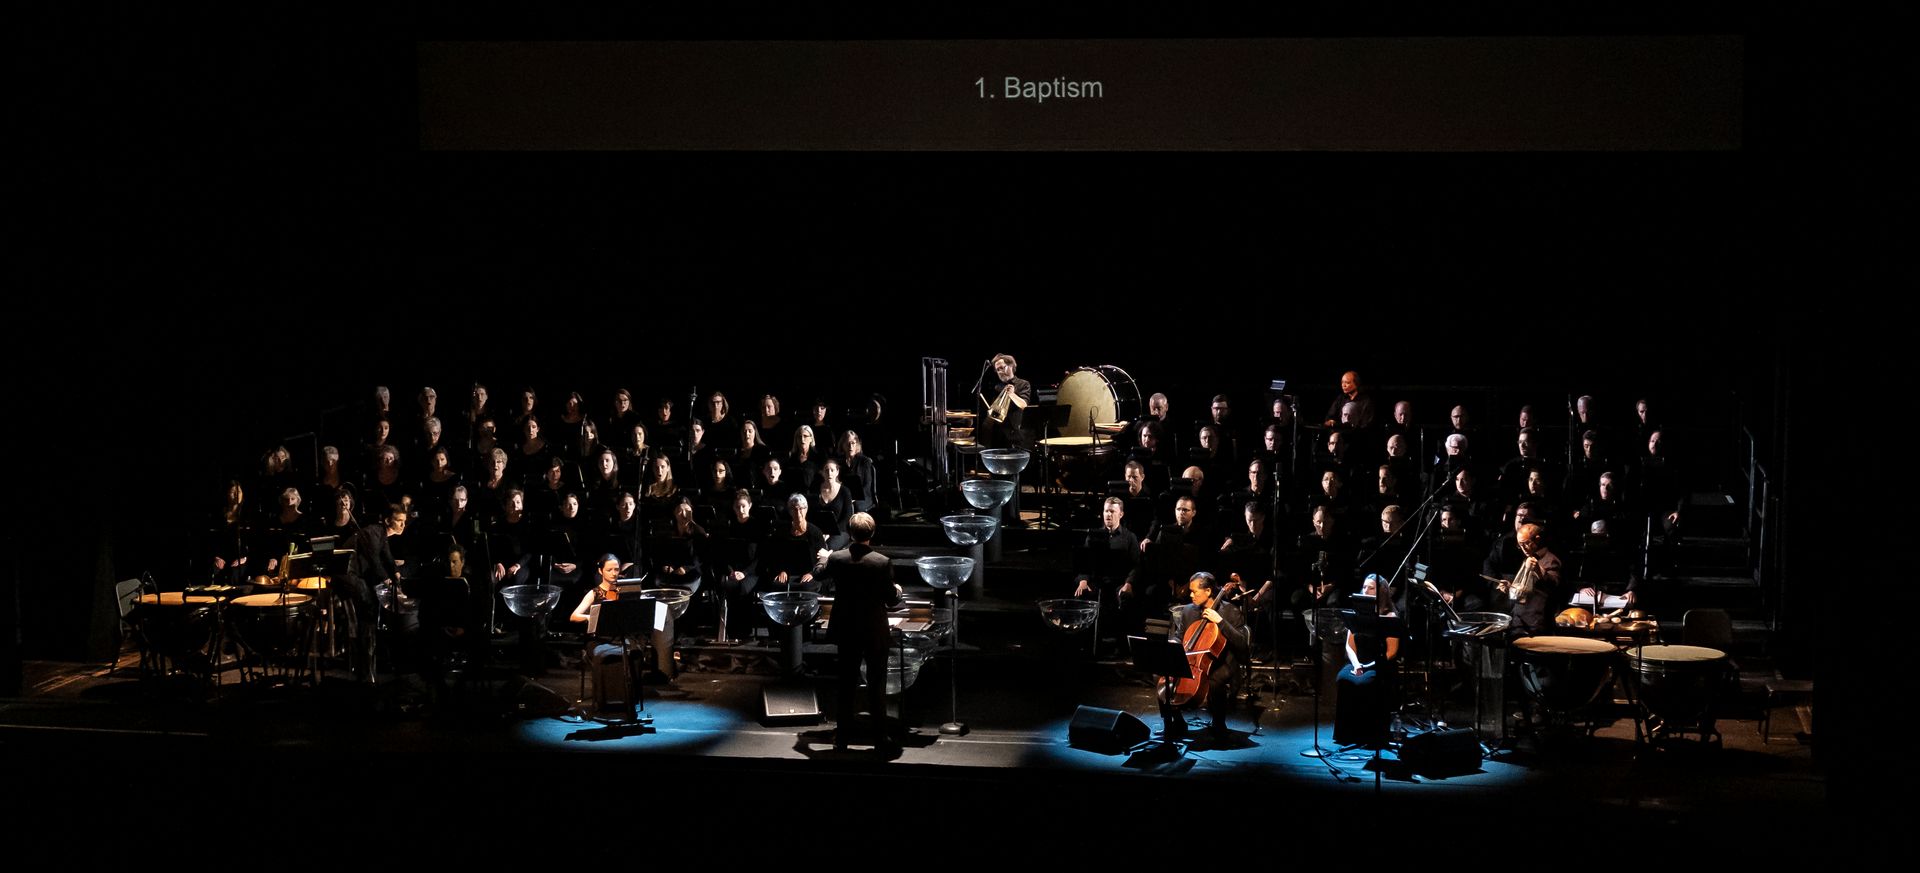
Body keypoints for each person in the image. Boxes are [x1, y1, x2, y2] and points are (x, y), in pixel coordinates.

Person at [825, 513, 903, 748]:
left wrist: (822, 559)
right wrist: (897, 590)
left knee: (846, 683)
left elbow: (824, 574)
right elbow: (891, 600)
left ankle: (842, 738)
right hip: (873, 631)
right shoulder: (881, 562)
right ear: (872, 533)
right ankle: (880, 737)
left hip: (847, 629)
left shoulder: (837, 559)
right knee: (876, 683)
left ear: (850, 533)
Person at [1156, 572, 1249, 742]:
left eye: (1194, 591)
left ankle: (1219, 723)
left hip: (1223, 662)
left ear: (1208, 591)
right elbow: (1180, 636)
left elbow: (1242, 643)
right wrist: (1173, 645)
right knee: (1164, 677)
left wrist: (1220, 621)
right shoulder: (1188, 611)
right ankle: (1175, 722)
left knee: (1215, 679)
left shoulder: (1230, 611)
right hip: (1193, 659)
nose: (1190, 595)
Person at [570, 554, 677, 695]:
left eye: (616, 569)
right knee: (608, 655)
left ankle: (632, 694)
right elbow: (574, 616)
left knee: (636, 653)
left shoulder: (624, 592)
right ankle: (609, 694)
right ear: (600, 571)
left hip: (620, 637)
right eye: (609, 570)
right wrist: (592, 617)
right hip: (598, 639)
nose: (614, 573)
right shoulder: (594, 593)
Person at [1333, 574, 1402, 748]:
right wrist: (1356, 665)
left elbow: (1391, 652)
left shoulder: (1389, 616)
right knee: (1344, 678)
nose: (1366, 591)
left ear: (1381, 592)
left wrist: (1369, 666)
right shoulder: (1357, 614)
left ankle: (1369, 735)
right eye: (1364, 587)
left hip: (1380, 664)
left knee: (1367, 682)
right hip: (1359, 662)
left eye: (1371, 588)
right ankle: (1347, 734)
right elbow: (1349, 646)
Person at [1072, 496, 1139, 652]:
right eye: (1106, 511)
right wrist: (1083, 580)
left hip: (1119, 581)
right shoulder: (1094, 535)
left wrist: (1129, 583)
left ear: (1120, 514)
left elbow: (1136, 565)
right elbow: (1085, 562)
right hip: (1098, 580)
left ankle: (1121, 646)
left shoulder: (1129, 537)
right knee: (1083, 595)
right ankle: (1088, 644)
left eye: (1112, 511)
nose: (1108, 515)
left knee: (1126, 598)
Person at [1491, 523, 1563, 638]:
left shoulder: (1550, 560)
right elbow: (1525, 589)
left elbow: (1555, 586)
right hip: (1519, 622)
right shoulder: (1528, 559)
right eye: (1520, 545)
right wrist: (1510, 587)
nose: (1523, 548)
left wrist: (1539, 571)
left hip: (1536, 625)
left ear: (1537, 539)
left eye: (1525, 544)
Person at [979, 353, 1033, 450]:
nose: (1000, 372)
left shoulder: (1023, 384)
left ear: (1011, 366)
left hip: (1016, 435)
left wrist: (1012, 394)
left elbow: (1023, 405)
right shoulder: (997, 387)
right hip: (998, 435)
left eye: (1002, 368)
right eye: (997, 370)